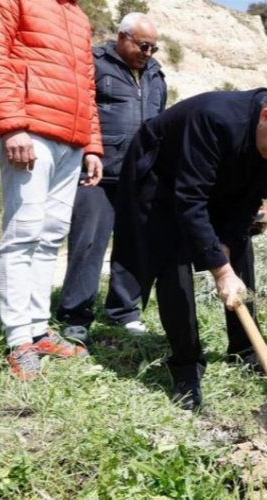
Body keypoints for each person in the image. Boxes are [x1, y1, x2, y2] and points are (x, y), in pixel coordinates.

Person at [112, 89, 267, 410]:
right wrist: (220, 271)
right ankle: (186, 366)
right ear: (266, 116)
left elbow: (249, 200)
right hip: (160, 174)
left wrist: (226, 247)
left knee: (240, 247)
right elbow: (189, 201)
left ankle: (244, 349)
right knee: (174, 255)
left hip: (213, 179)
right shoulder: (215, 118)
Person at [0, 0, 103, 380]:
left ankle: (39, 330)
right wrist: (11, 125)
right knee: (23, 233)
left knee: (51, 234)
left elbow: (87, 86)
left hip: (71, 141)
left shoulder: (77, 16)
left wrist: (92, 145)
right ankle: (18, 338)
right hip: (30, 129)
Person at [56, 13, 167, 343]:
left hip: (139, 175)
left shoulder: (156, 74)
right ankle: (75, 316)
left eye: (153, 47)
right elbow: (80, 108)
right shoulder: (94, 61)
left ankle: (123, 311)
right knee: (88, 244)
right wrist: (89, 149)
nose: (148, 53)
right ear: (122, 37)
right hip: (98, 171)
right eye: (143, 45)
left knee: (134, 246)